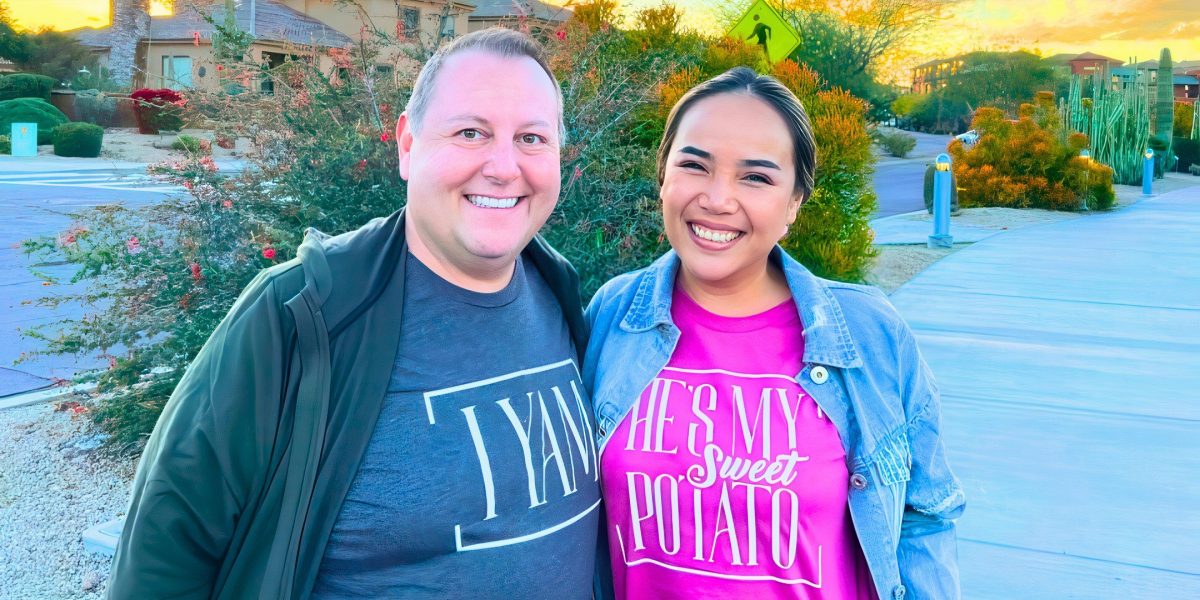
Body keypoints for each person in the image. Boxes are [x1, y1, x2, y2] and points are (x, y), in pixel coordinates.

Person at [108, 28, 607, 599]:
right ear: (408, 145)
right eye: (471, 132)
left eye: (532, 138)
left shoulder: (561, 295)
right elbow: (165, 555)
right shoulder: (302, 314)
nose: (503, 165)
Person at [582, 67, 965, 600]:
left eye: (756, 177)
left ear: (793, 203)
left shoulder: (872, 335)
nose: (717, 199)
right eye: (695, 166)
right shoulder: (612, 316)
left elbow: (925, 517)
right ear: (664, 178)